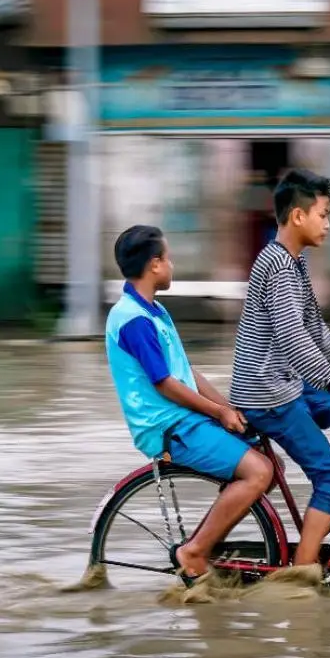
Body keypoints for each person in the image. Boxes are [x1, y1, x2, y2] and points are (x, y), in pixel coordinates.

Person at [229, 169, 330, 569]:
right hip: (267, 395)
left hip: (287, 385)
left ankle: (323, 509)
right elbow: (292, 340)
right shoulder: (279, 266)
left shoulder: (294, 263)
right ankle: (302, 571)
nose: (328, 225)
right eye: (323, 214)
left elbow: (315, 330)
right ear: (298, 216)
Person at [105, 225, 274, 584]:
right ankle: (195, 551)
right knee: (258, 472)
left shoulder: (153, 311)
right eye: (168, 257)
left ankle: (208, 543)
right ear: (154, 265)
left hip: (186, 418)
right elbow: (165, 383)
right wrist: (218, 413)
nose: (172, 263)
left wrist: (230, 408)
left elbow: (185, 371)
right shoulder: (134, 319)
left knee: (269, 463)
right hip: (169, 426)